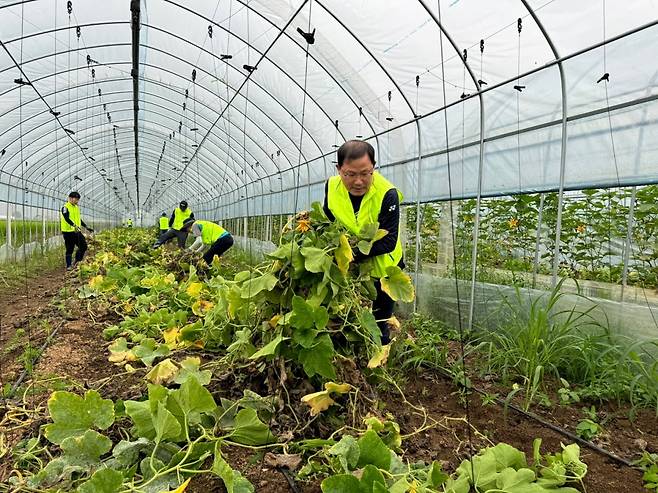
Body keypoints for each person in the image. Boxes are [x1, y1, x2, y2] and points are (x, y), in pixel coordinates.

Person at [322, 140, 403, 344]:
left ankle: (379, 366)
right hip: (349, 270)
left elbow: (389, 241)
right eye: (350, 174)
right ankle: (350, 363)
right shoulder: (331, 187)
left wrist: (348, 255)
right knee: (343, 318)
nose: (358, 181)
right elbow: (328, 222)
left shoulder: (387, 193)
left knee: (378, 323)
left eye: (365, 173)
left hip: (383, 269)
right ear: (339, 169)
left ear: (373, 167)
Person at [60, 191, 94, 270]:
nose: (77, 201)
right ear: (70, 198)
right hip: (68, 232)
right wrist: (74, 225)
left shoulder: (76, 207)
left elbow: (79, 219)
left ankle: (77, 261)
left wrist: (86, 226)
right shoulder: (65, 207)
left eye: (78, 200)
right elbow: (66, 218)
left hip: (76, 231)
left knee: (83, 246)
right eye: (76, 199)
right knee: (69, 249)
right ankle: (68, 266)